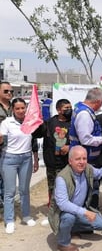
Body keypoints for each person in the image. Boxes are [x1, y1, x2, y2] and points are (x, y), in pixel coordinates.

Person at [48, 146, 102, 251]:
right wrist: (85, 212)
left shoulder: (88, 168)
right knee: (69, 217)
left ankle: (70, 229)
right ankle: (63, 242)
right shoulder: (62, 178)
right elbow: (63, 204)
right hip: (63, 213)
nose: (82, 162)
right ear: (70, 161)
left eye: (84, 158)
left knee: (101, 224)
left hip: (80, 209)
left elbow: (99, 173)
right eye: (78, 159)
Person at [0, 98, 41, 234]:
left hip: (26, 159)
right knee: (10, 192)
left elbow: (34, 142)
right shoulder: (6, 123)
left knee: (24, 190)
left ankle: (26, 216)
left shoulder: (30, 122)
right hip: (9, 159)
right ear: (12, 109)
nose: (20, 111)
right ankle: (9, 220)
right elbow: (2, 142)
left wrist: (36, 159)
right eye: (17, 108)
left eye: (23, 108)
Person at [69, 87, 102, 208]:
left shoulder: (81, 109)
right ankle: (90, 214)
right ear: (97, 101)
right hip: (85, 158)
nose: (101, 106)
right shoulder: (84, 114)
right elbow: (85, 138)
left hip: (87, 157)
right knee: (90, 188)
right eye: (101, 103)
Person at [39, 98, 72, 206]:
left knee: (67, 188)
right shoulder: (49, 123)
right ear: (58, 110)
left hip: (68, 164)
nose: (69, 110)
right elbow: (37, 133)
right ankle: (53, 211)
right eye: (66, 108)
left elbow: (80, 140)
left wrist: (70, 147)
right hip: (52, 163)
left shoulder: (74, 123)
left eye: (70, 108)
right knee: (52, 188)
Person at [0, 81, 14, 207]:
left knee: (7, 179)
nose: (9, 93)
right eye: (6, 91)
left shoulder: (16, 107)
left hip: (12, 149)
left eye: (11, 91)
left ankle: (6, 205)